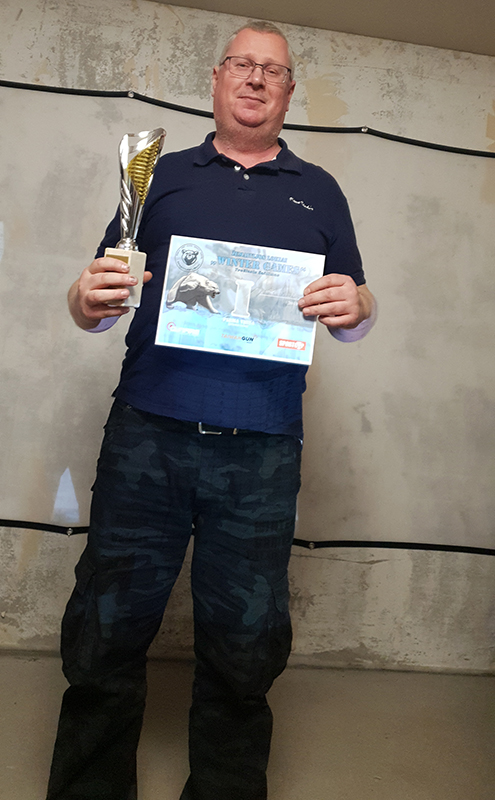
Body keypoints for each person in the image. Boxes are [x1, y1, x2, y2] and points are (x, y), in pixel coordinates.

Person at [47, 20, 375, 800]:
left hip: (262, 452)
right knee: (106, 629)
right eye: (242, 64)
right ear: (218, 78)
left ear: (287, 91)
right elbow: (98, 301)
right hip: (146, 438)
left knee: (244, 648)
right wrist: (83, 300)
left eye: (272, 70)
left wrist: (360, 307)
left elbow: (353, 316)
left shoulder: (320, 191)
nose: (256, 78)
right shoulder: (157, 177)